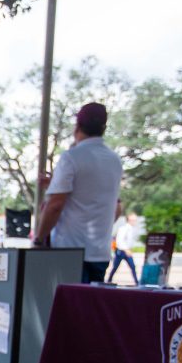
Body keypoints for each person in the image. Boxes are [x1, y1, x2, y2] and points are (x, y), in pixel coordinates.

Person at [33, 102, 124, 283]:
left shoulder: (72, 157)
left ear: (77, 127)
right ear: (104, 128)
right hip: (100, 251)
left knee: (68, 307)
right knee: (90, 306)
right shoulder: (115, 160)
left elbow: (55, 205)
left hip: (70, 250)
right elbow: (116, 207)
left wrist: (39, 239)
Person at [107, 210, 140, 285]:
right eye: (133, 220)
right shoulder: (124, 228)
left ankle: (137, 282)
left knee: (132, 267)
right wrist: (126, 249)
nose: (134, 222)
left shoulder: (131, 229)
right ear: (129, 220)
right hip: (121, 251)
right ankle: (109, 280)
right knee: (115, 267)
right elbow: (119, 241)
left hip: (127, 250)